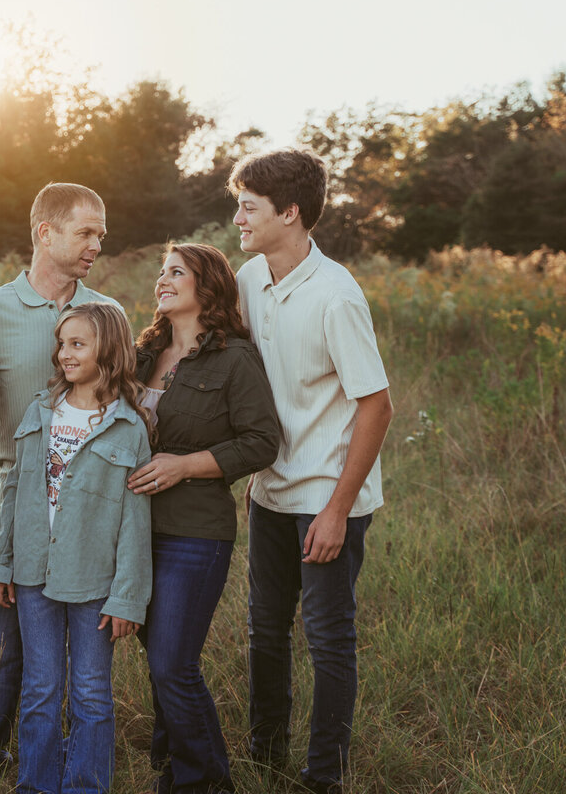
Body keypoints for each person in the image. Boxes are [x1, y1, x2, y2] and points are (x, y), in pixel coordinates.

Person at [230, 148, 393, 794]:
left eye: (250, 206)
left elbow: (377, 406)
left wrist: (336, 510)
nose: (237, 216)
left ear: (291, 213)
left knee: (328, 641)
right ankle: (264, 757)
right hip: (268, 492)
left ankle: (323, 777)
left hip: (328, 497)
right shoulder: (248, 278)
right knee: (264, 631)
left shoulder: (336, 297)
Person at [0, 182, 120, 771]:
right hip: (17, 506)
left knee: (82, 655)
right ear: (45, 233)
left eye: (101, 233)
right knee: (3, 645)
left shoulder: (107, 315)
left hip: (92, 514)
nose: (96, 244)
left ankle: (72, 759)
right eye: (85, 232)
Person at [128, 242, 281, 794]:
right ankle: (172, 768)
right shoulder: (142, 353)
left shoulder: (234, 359)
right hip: (133, 530)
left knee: (173, 662)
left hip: (194, 533)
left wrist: (186, 465)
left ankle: (207, 782)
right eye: (161, 271)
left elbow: (263, 441)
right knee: (156, 660)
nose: (162, 280)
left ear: (207, 287)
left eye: (176, 273)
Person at [0, 302, 152, 794]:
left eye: (77, 344)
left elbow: (135, 520)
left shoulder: (129, 427)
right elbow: (15, 488)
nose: (64, 354)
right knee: (40, 689)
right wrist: (1, 562)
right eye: (62, 344)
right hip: (34, 574)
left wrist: (127, 597)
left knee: (92, 692)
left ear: (110, 350)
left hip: (95, 582)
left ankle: (85, 785)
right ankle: (35, 785)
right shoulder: (41, 410)